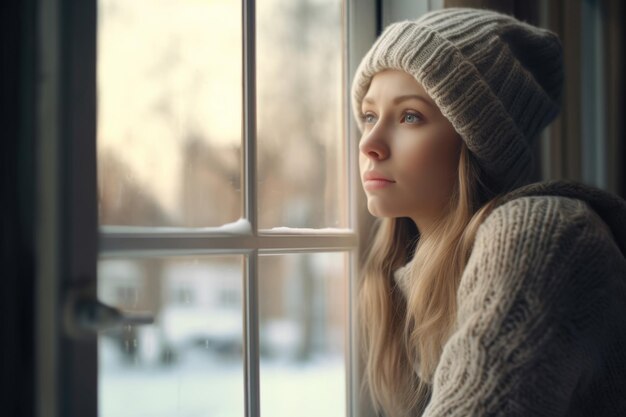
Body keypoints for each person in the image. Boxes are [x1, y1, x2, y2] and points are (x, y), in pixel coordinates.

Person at [351, 7, 626, 417]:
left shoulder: (542, 235)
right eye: (370, 116)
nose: (368, 143)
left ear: (477, 142)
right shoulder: (411, 273)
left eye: (410, 116)